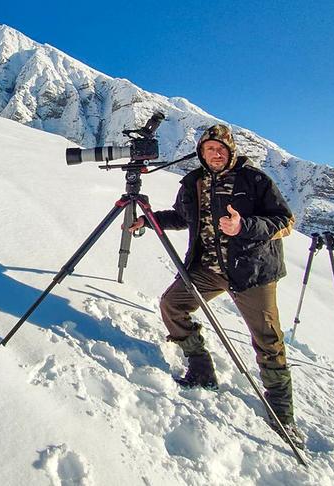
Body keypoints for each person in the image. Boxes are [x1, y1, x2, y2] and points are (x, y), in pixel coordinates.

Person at [125, 124, 303, 448]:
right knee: (172, 305)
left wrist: (243, 226)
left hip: (251, 272)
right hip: (208, 269)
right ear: (201, 153)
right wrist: (149, 220)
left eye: (221, 148)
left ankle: (282, 412)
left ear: (231, 151)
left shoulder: (255, 180)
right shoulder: (194, 182)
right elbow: (181, 217)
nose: (215, 153)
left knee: (268, 339)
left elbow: (284, 221)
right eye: (209, 149)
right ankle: (200, 366)